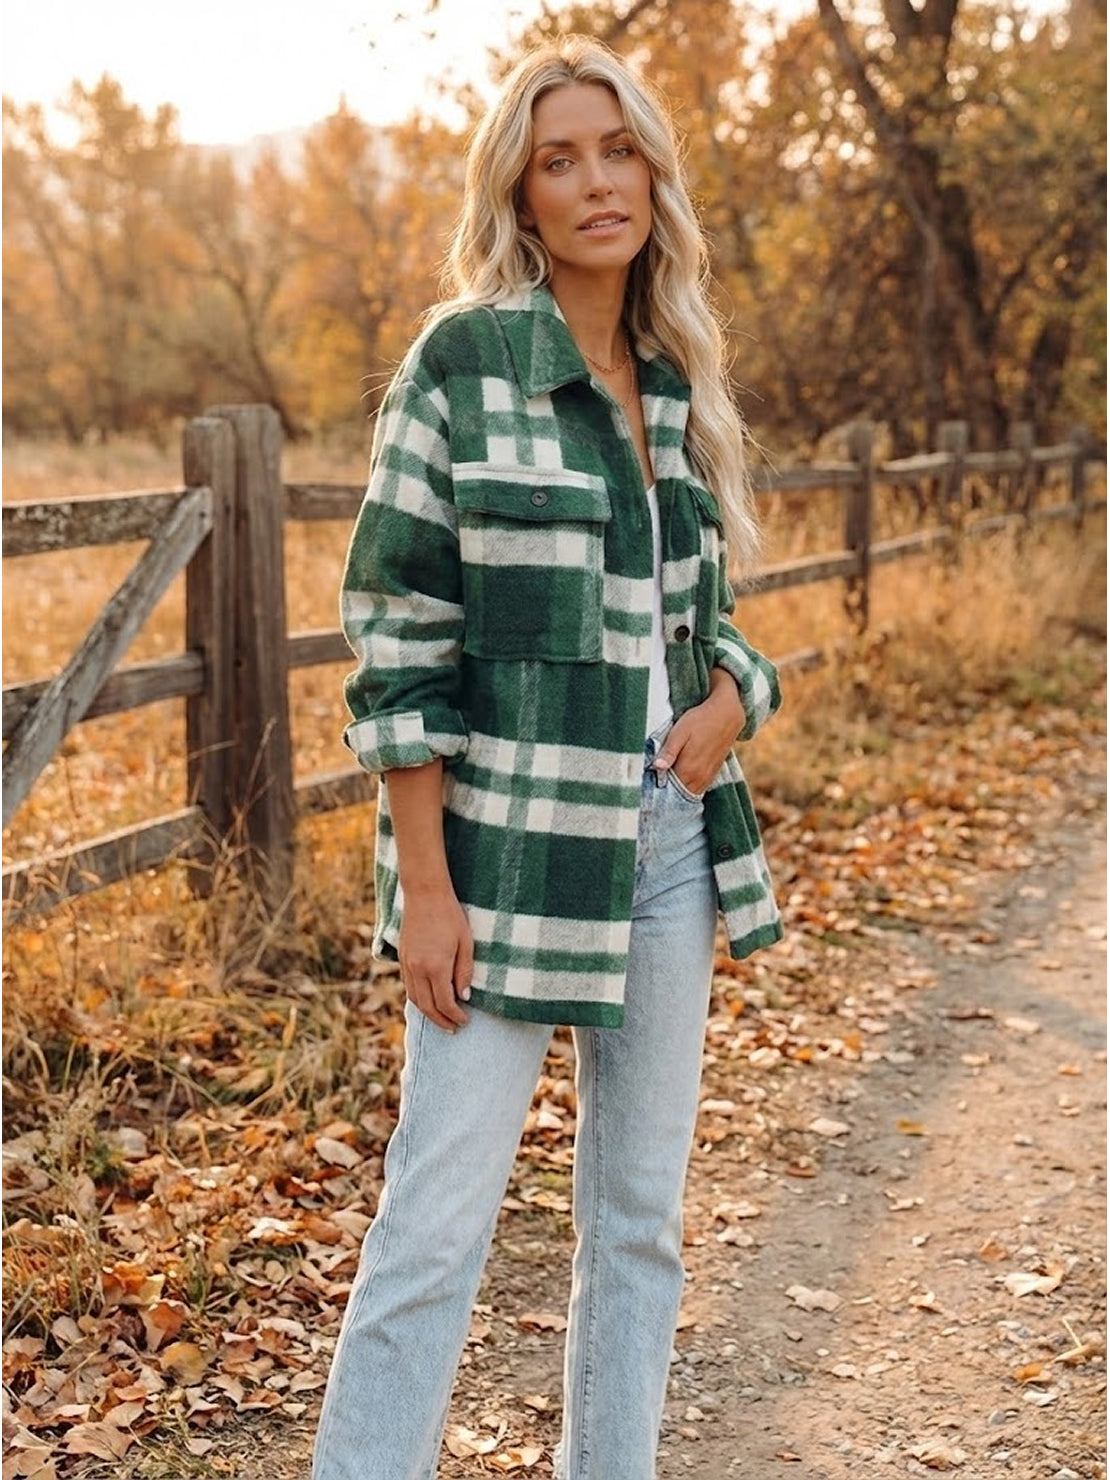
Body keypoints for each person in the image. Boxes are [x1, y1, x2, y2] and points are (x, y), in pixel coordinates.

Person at [311, 34, 785, 1480]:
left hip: (662, 844)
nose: (594, 182)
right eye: (557, 159)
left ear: (651, 171)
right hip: (503, 856)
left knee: (635, 1224)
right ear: (518, 198)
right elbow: (398, 633)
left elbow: (702, 626)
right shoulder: (464, 363)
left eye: (616, 150)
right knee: (436, 1223)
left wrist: (733, 703)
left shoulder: (671, 378)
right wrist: (427, 889)